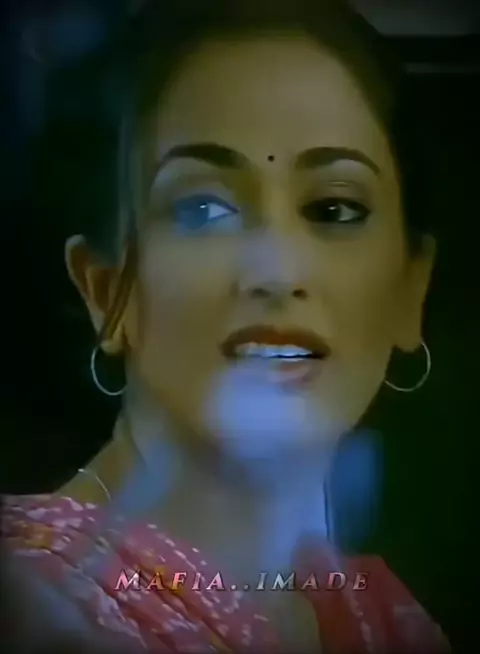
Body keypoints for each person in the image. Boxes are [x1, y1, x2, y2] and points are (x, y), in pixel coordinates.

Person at [3, 0, 450, 651]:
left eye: (333, 208)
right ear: (104, 290)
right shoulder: (28, 603)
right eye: (203, 209)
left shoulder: (382, 617)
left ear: (411, 289)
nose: (276, 269)